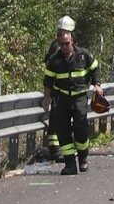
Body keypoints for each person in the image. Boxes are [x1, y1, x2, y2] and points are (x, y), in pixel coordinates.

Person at [42, 29, 102, 175]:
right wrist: (47, 97)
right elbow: (48, 81)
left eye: (66, 44)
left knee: (81, 130)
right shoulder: (55, 59)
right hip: (61, 98)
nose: (63, 47)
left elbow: (95, 70)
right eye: (61, 44)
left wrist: (97, 85)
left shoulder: (83, 55)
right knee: (63, 131)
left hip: (79, 97)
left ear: (72, 40)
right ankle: (70, 164)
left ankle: (82, 158)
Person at [42, 16, 77, 160]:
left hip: (60, 89)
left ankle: (57, 149)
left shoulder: (56, 44)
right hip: (59, 90)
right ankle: (56, 150)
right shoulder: (59, 46)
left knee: (58, 121)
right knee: (57, 121)